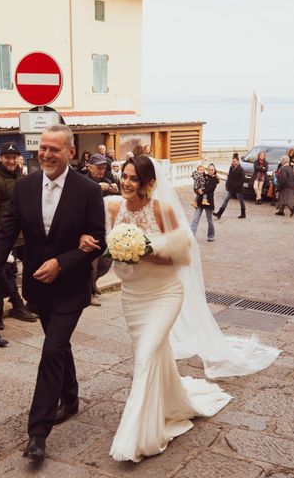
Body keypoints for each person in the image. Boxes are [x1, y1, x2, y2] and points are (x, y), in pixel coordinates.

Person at [79, 155, 280, 462]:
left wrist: (143, 250)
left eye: (134, 178)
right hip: (133, 297)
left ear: (149, 184)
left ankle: (138, 436)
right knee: (152, 354)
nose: (127, 183)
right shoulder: (112, 207)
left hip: (164, 293)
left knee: (146, 355)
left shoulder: (163, 210)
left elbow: (181, 256)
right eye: (125, 176)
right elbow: (92, 233)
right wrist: (96, 243)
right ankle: (172, 401)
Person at [0, 124, 106, 462]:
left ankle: (38, 433)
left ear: (70, 153)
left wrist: (63, 263)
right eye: (43, 148)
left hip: (72, 287)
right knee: (58, 345)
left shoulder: (88, 190)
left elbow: (97, 242)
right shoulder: (24, 187)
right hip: (37, 286)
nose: (46, 154)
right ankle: (71, 396)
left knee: (51, 351)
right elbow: (4, 236)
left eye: (55, 149)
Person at [0, 142, 37, 323]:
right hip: (5, 235)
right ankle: (17, 305)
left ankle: (32, 302)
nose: (11, 161)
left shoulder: (19, 177)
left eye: (14, 157)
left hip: (24, 234)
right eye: (8, 157)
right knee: (7, 273)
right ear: (1, 158)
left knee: (31, 268)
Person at [86, 153, 117, 306]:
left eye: (104, 167)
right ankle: (88, 293)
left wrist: (114, 188)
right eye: (99, 167)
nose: (102, 170)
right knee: (92, 263)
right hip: (88, 228)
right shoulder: (83, 181)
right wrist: (97, 188)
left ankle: (93, 284)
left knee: (106, 260)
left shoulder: (107, 180)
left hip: (105, 227)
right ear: (89, 167)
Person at [213, 153, 246, 219]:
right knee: (226, 200)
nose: (233, 162)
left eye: (234, 161)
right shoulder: (231, 168)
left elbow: (242, 179)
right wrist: (227, 184)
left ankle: (243, 213)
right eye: (232, 161)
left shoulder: (241, 169)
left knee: (241, 201)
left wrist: (236, 185)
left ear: (238, 161)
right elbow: (229, 177)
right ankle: (219, 213)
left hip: (238, 189)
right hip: (230, 188)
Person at [190, 163, 218, 241]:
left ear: (214, 171)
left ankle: (211, 236)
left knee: (210, 220)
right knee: (195, 219)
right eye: (209, 169)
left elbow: (210, 188)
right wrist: (197, 190)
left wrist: (202, 190)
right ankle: (191, 235)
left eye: (212, 170)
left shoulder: (214, 179)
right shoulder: (203, 176)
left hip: (208, 202)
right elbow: (197, 183)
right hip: (199, 201)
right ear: (207, 170)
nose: (210, 171)